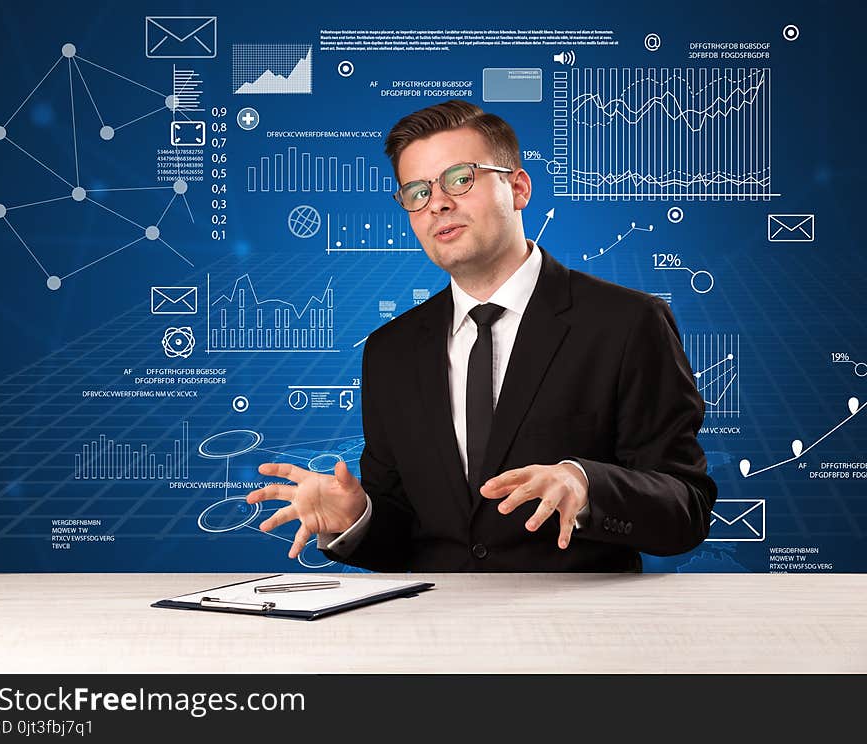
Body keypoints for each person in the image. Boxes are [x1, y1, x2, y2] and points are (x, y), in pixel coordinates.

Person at [247, 100, 717, 572]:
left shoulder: (628, 323)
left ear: (518, 188)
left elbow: (687, 508)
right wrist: (357, 518)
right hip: (435, 632)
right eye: (416, 191)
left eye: (459, 179)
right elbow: (404, 536)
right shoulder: (390, 352)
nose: (438, 203)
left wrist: (586, 484)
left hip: (577, 630)